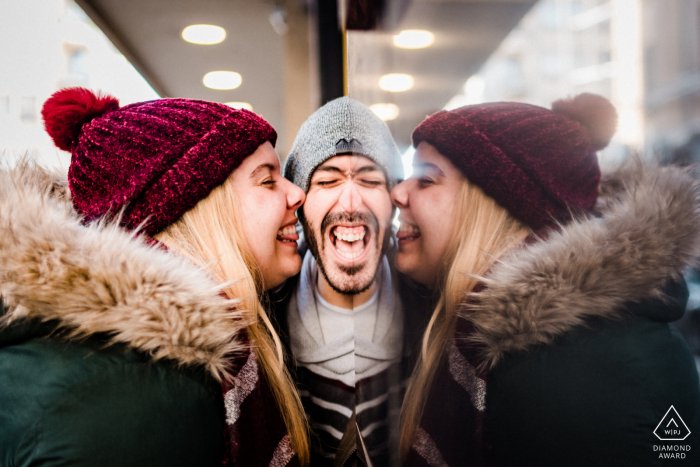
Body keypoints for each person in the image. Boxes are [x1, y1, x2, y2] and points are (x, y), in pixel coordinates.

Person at [0, 88, 309, 466]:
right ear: (192, 208)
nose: (298, 194)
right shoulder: (147, 386)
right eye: (267, 180)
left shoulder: (168, 365)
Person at [390, 94, 700, 466]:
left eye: (425, 179)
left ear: (498, 208)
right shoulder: (527, 350)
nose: (397, 192)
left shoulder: (568, 367)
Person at [275, 96, 413, 466]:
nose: (350, 202)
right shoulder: (262, 322)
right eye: (327, 180)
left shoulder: (433, 313)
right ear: (301, 206)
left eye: (369, 179)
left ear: (393, 202)